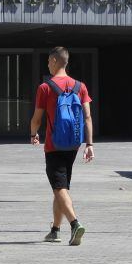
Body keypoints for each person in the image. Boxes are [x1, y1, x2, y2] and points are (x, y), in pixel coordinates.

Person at [29, 47, 94, 246]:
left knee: (59, 188)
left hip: (54, 145)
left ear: (55, 61)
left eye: (49, 61)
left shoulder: (45, 87)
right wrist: (89, 144)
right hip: (73, 144)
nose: (48, 64)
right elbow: (88, 117)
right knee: (61, 188)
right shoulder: (79, 86)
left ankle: (75, 224)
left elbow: (37, 118)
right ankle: (55, 230)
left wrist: (33, 134)